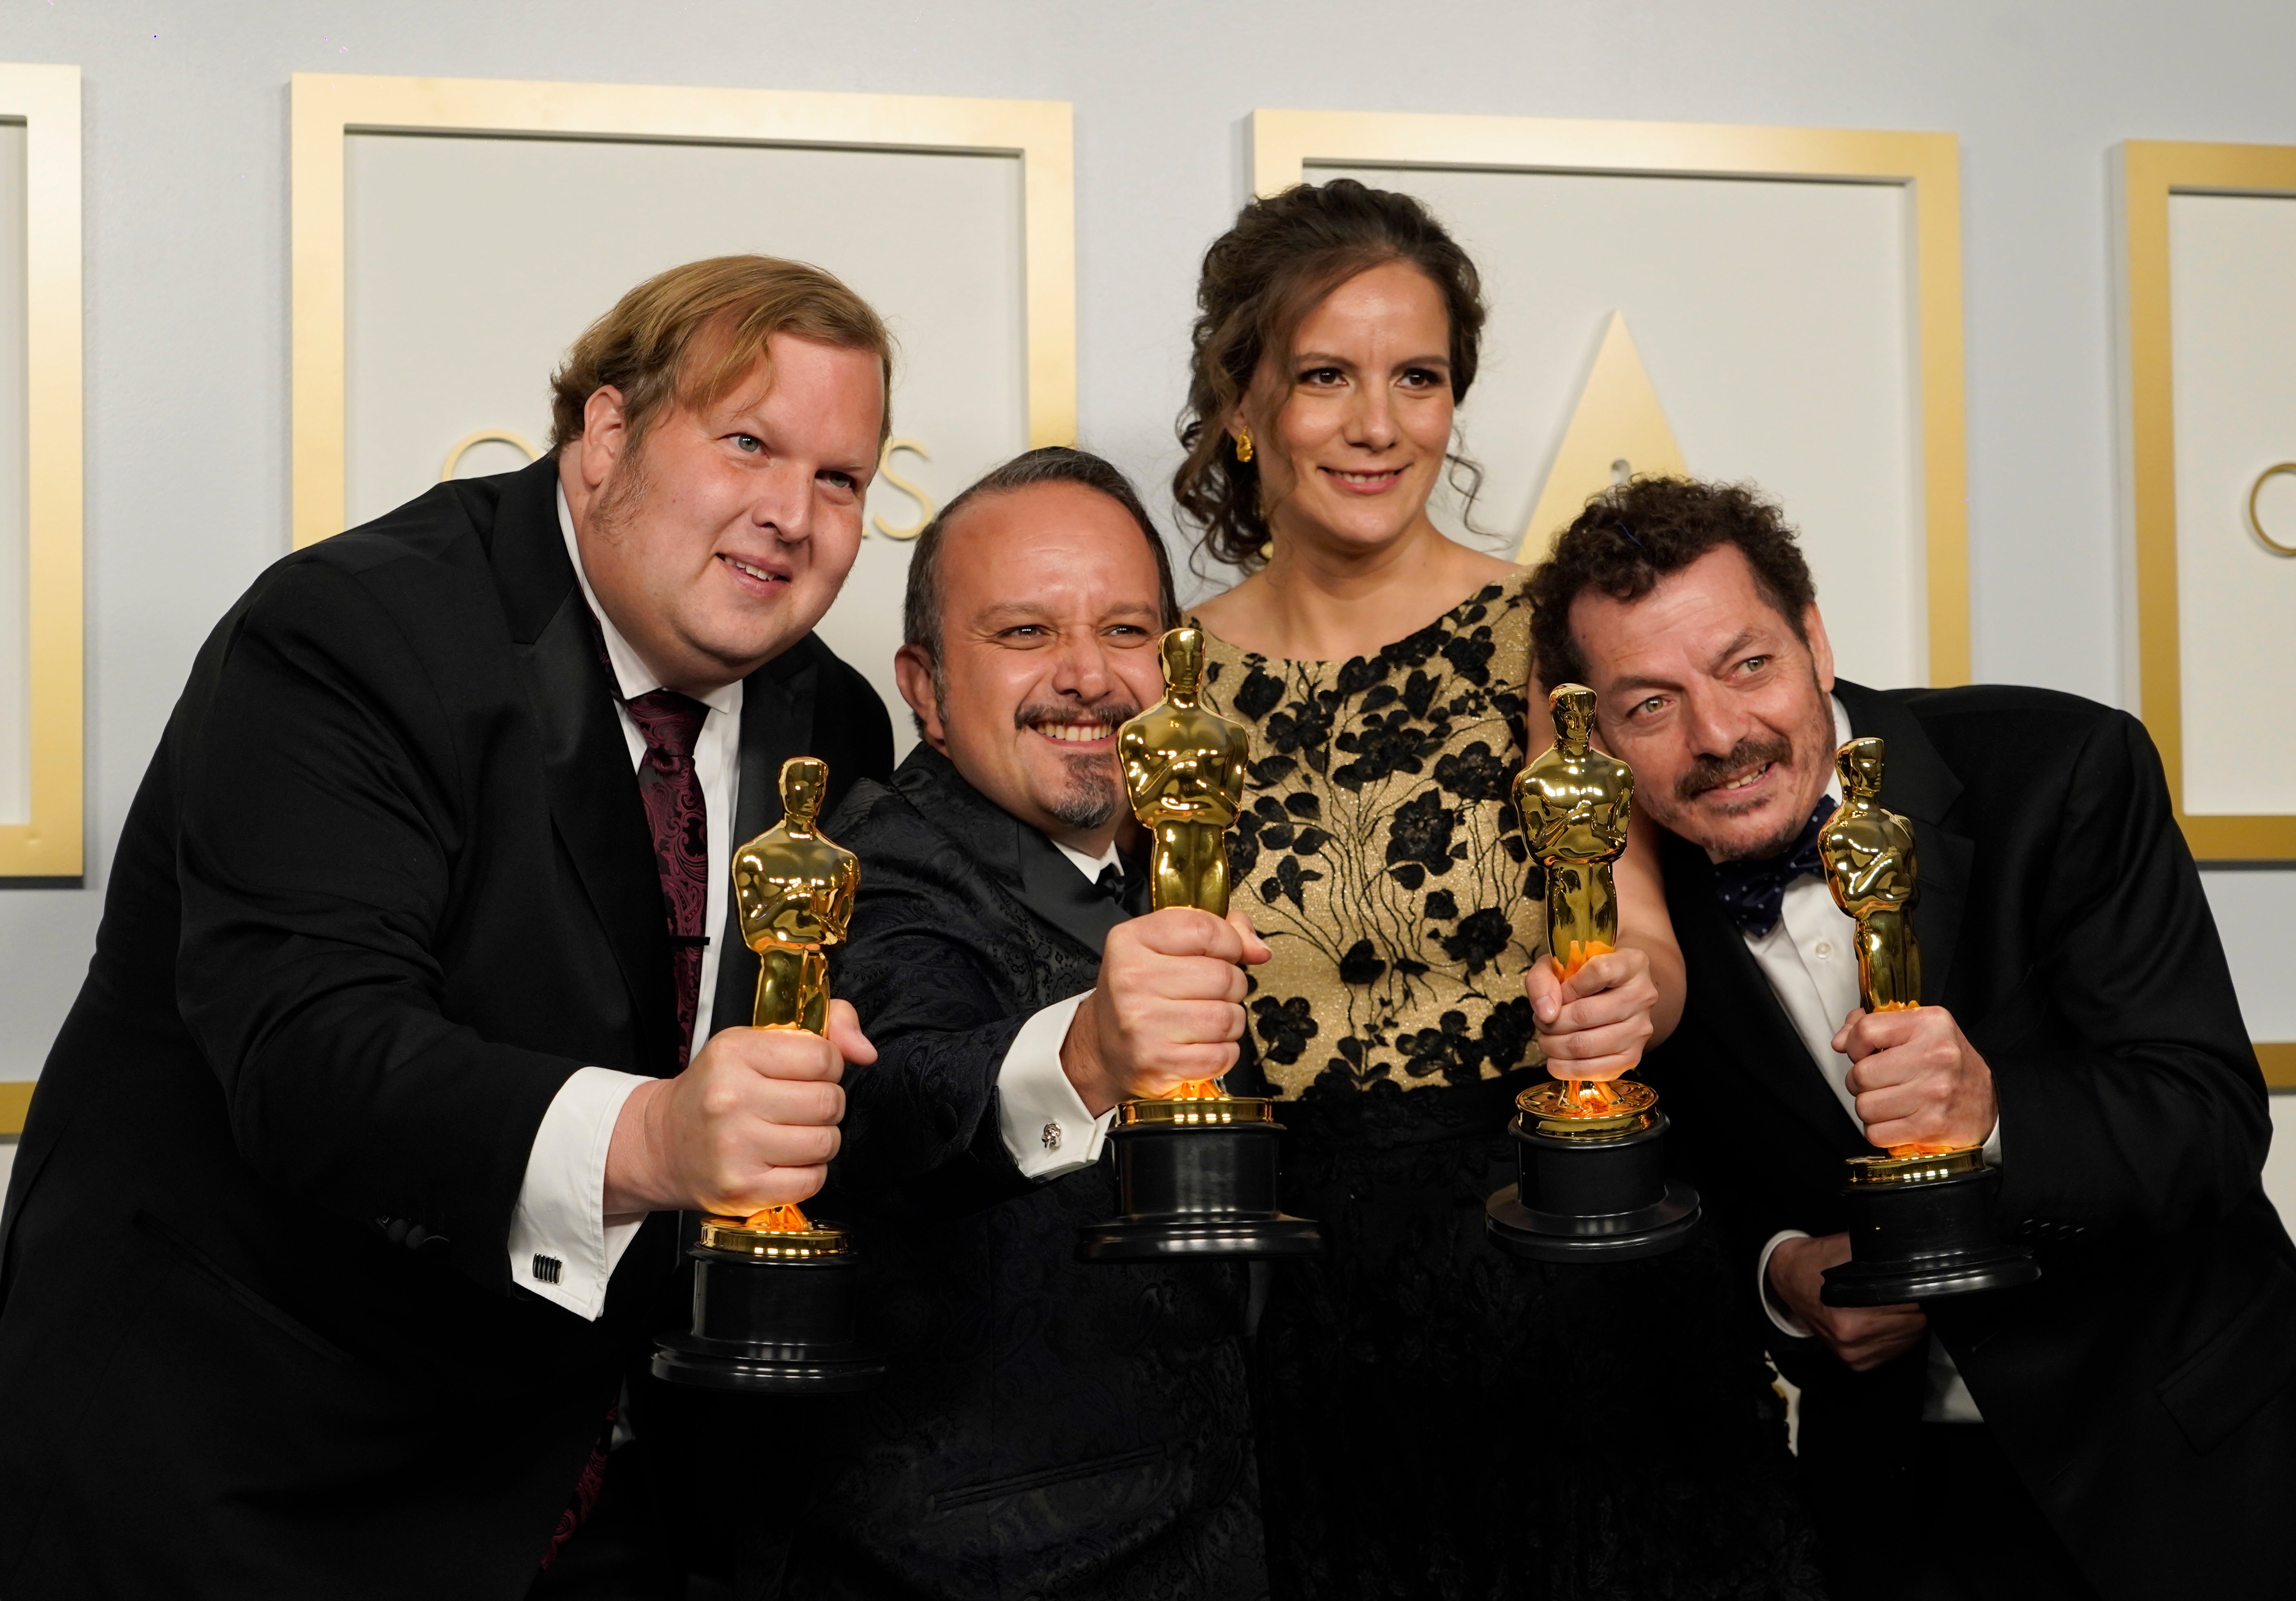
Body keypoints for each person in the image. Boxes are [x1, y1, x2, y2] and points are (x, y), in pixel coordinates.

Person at [0, 256, 896, 1597]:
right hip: (251, 1467)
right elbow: (313, 1054)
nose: (792, 514)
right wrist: (656, 1135)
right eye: (751, 443)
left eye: (841, 479)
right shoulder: (349, 634)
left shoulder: (829, 719)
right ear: (606, 438)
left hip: (592, 1475)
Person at [1173, 179, 1822, 1599]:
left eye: (1419, 378)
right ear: (1242, 400)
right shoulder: (1165, 673)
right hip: (1279, 1290)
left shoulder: (1548, 635)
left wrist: (1622, 1002)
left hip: (1566, 1252)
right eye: (1324, 377)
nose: (1377, 423)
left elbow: (1645, 939)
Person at [1525, 474, 2296, 1601]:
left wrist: (1990, 1116)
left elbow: (2210, 1118)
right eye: (1650, 704)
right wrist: (1783, 1278)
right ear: (1595, 734)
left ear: (1817, 641)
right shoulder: (1635, 919)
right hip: (1898, 1513)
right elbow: (1688, 1194)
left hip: (2193, 1469)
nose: (1721, 733)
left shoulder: (2061, 769)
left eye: (1749, 665)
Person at [791, 447, 1268, 1599]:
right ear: (922, 685)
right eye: (1022, 634)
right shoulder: (871, 868)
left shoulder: (1178, 844)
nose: (1088, 676)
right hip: (980, 1569)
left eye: (1125, 630)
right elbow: (902, 1085)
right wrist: (1089, 1052)